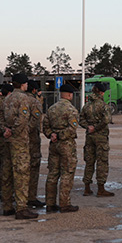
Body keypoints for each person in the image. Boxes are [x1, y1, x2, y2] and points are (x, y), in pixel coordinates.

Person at [3, 74, 38, 220]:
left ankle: (7, 206)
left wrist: (7, 130)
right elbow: (23, 119)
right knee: (21, 174)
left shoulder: (7, 98)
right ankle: (21, 208)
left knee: (7, 173)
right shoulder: (23, 98)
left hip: (8, 139)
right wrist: (15, 131)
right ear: (23, 84)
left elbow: (2, 117)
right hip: (19, 140)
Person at [43, 83, 80, 213]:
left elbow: (45, 127)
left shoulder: (51, 109)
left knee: (53, 173)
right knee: (67, 173)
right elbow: (72, 129)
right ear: (70, 95)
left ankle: (50, 203)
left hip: (54, 145)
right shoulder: (71, 110)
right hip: (66, 145)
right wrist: (60, 135)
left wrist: (52, 135)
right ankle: (64, 204)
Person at [79, 81, 113, 197]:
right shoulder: (103, 106)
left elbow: (81, 119)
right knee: (102, 162)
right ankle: (101, 188)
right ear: (102, 92)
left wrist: (89, 127)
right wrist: (97, 128)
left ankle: (87, 188)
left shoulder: (87, 106)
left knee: (89, 161)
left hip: (89, 136)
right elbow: (107, 119)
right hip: (101, 137)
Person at [26, 82, 45, 209]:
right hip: (31, 140)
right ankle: (30, 198)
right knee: (32, 170)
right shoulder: (34, 102)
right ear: (34, 90)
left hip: (15, 140)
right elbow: (36, 121)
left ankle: (11, 201)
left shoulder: (9, 99)